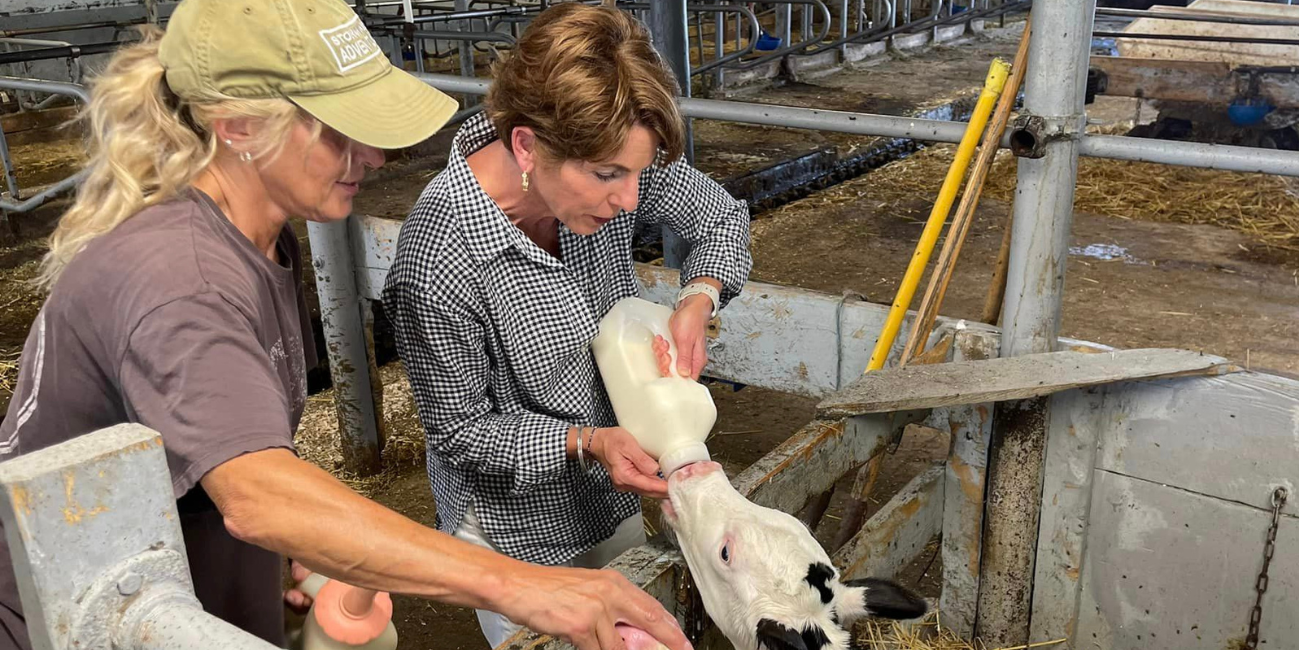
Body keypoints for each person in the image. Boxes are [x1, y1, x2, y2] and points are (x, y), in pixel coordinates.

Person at [0, 2, 691, 650]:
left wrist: (296, 552)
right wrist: (526, 586)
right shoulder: (185, 279)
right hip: (67, 621)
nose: (376, 156)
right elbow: (258, 495)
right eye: (337, 131)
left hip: (161, 595)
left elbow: (230, 456)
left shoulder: (261, 243)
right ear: (237, 124)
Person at [380, 3, 752, 646]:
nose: (631, 200)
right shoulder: (439, 257)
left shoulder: (609, 162)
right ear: (526, 144)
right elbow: (461, 431)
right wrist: (587, 442)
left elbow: (720, 219)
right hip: (513, 538)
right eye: (609, 176)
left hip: (611, 496)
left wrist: (699, 295)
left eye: (639, 172)